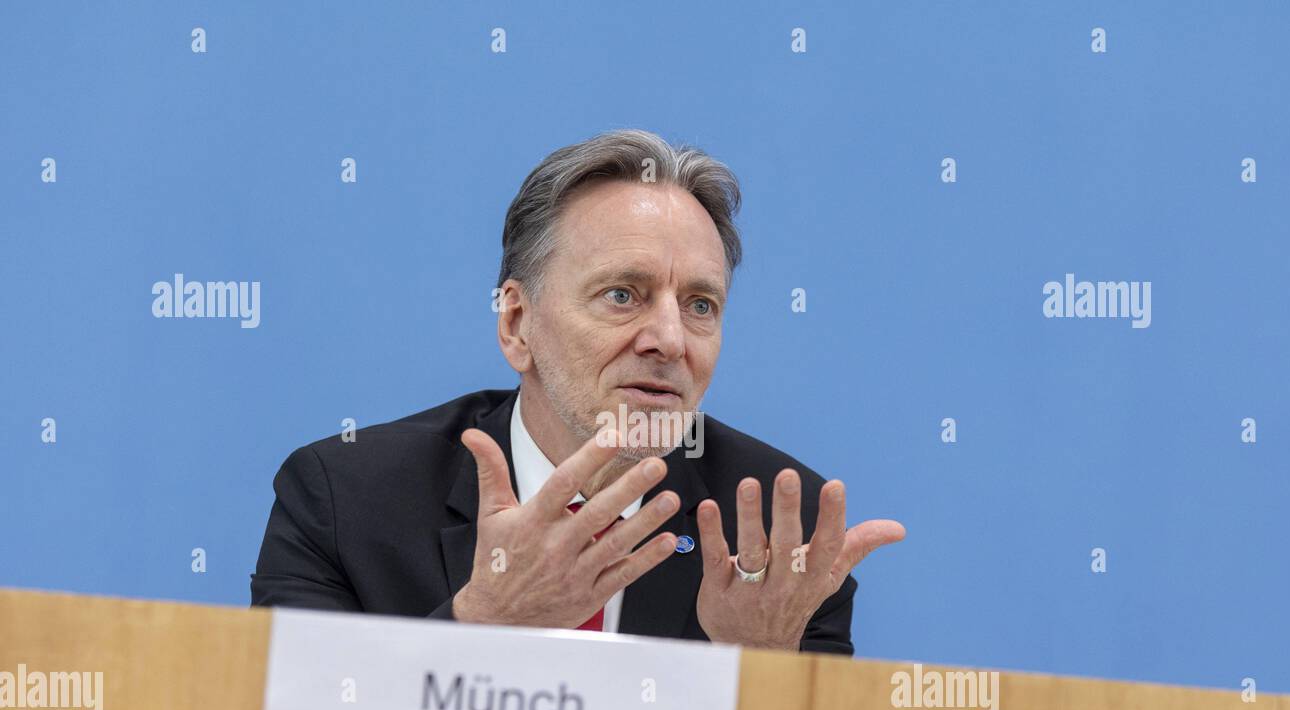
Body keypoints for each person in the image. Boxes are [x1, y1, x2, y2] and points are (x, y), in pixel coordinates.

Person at [251, 129, 905, 654]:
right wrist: (482, 625)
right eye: (622, 295)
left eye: (701, 305)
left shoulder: (773, 535)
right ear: (517, 325)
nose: (671, 341)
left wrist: (758, 666)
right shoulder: (346, 497)